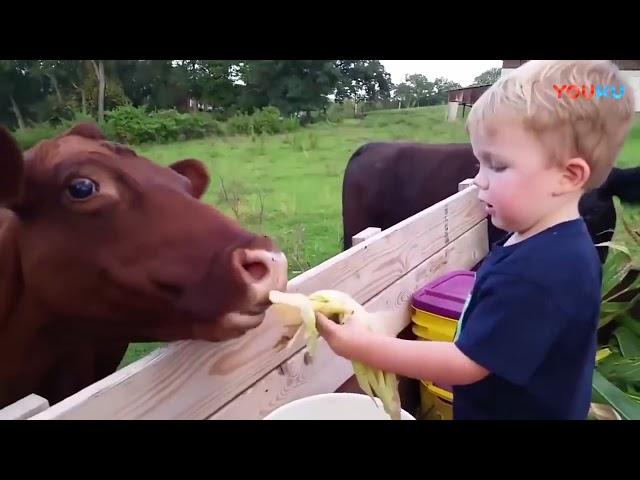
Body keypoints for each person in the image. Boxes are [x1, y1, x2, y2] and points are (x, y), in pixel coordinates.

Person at [316, 60, 636, 420]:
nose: (479, 180)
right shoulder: (548, 243)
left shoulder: (543, 271)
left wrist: (366, 347)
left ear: (567, 175)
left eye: (496, 166)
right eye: (479, 163)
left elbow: (465, 363)